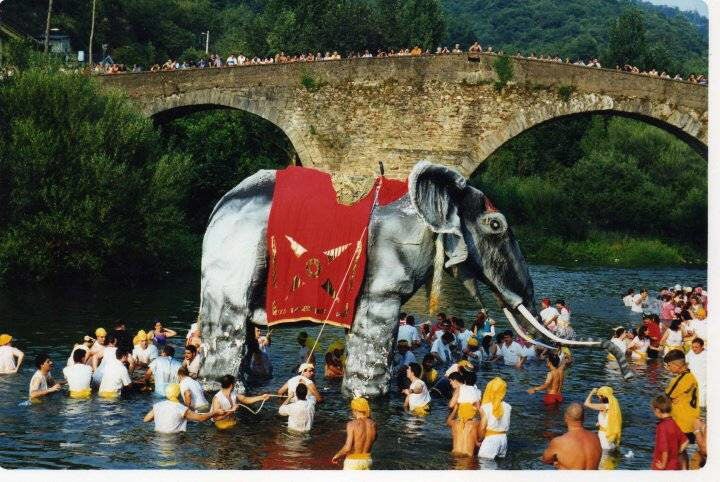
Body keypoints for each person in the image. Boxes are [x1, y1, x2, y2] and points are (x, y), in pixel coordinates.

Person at [541, 403, 601, 469]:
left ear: (565, 418)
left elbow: (545, 460)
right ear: (583, 418)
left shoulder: (559, 442)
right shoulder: (596, 438)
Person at [143, 383, 221, 434]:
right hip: (174, 439)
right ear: (179, 394)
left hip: (158, 437)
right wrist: (215, 412)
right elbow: (201, 418)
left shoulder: (158, 405)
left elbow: (146, 419)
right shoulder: (181, 408)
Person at [663, 349, 699, 442]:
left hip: (681, 424)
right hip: (691, 423)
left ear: (676, 365)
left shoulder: (679, 380)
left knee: (677, 453)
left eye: (668, 365)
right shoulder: (691, 376)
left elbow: (664, 401)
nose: (668, 368)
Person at [332, 397, 377, 470]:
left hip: (353, 461)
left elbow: (348, 447)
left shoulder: (351, 424)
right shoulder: (373, 424)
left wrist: (337, 455)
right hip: (367, 460)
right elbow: (373, 439)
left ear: (355, 410)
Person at [478, 377, 512, 459]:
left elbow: (482, 428)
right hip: (503, 439)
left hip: (491, 440)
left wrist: (479, 440)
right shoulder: (508, 407)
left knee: (484, 465)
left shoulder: (486, 407)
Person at [651, 394, 688, 470]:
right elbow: (686, 441)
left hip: (663, 468)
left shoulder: (661, 427)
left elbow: (664, 449)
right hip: (675, 466)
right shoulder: (673, 423)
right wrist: (676, 453)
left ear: (657, 410)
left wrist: (663, 465)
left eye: (653, 410)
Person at [583, 386, 622, 451]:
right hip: (610, 435)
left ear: (602, 397)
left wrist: (591, 392)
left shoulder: (603, 406)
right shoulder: (613, 405)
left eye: (599, 396)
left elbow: (586, 403)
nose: (598, 398)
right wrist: (600, 422)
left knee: (603, 458)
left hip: (604, 437)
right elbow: (610, 418)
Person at [685, 338, 706, 408]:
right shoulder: (691, 352)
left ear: (702, 346)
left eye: (696, 347)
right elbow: (684, 362)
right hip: (692, 383)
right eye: (693, 347)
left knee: (701, 405)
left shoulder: (707, 354)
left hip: (703, 384)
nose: (694, 349)